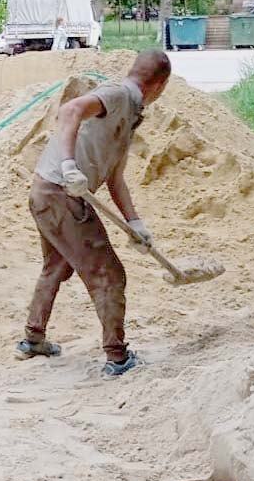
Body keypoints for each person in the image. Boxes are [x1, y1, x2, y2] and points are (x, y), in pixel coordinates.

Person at [15, 49, 171, 377]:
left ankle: (33, 338)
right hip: (60, 192)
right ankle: (117, 357)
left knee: (57, 266)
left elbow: (115, 179)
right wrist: (69, 165)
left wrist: (135, 223)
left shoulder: (129, 115)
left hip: (46, 192)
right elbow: (71, 110)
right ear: (159, 86)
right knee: (110, 274)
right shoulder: (119, 94)